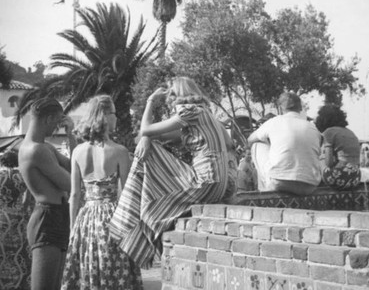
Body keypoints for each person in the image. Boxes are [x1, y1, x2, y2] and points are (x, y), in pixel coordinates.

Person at [109, 77, 230, 268]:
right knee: (150, 144)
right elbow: (152, 134)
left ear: (179, 94)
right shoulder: (204, 114)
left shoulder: (190, 111)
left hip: (207, 181)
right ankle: (138, 220)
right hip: (218, 184)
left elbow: (145, 129)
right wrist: (147, 138)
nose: (169, 100)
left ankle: (128, 219)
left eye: (171, 95)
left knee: (149, 154)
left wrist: (150, 101)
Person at [60, 95, 143, 289]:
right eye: (113, 113)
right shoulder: (120, 151)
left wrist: (73, 230)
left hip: (86, 219)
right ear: (105, 116)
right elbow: (127, 194)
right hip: (113, 218)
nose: (117, 118)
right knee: (116, 272)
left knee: (88, 270)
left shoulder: (78, 152)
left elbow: (74, 195)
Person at [18, 97, 76, 290]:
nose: (57, 127)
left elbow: (75, 167)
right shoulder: (36, 150)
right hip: (47, 219)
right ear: (48, 118)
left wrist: (71, 136)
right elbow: (71, 182)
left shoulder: (45, 147)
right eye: (57, 122)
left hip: (56, 216)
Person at [247, 92, 322, 195]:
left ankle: (264, 190)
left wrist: (269, 142)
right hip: (310, 185)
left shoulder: (274, 121)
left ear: (281, 108)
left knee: (256, 145)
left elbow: (250, 139)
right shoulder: (313, 128)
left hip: (280, 182)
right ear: (300, 108)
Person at [315, 105, 369, 190]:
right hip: (356, 178)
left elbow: (328, 163)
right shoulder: (350, 132)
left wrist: (321, 156)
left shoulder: (328, 132)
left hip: (336, 179)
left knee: (319, 158)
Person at [0, 148, 33, 290]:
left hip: (1, 218)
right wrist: (22, 210)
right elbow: (29, 200)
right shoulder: (22, 176)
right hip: (19, 220)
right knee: (20, 255)